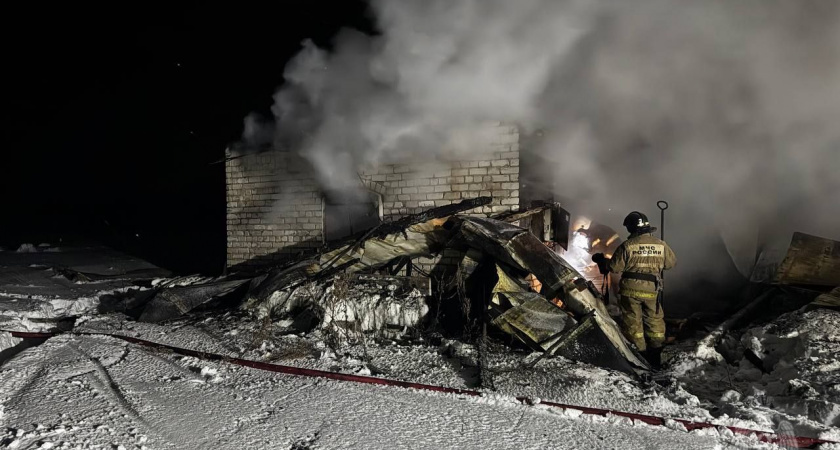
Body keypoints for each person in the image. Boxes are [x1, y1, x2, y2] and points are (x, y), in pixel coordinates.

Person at [592, 211, 676, 369]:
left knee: (633, 323)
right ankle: (656, 353)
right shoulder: (661, 245)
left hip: (630, 291)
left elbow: (615, 268)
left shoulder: (627, 246)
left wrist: (603, 261)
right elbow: (670, 264)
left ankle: (640, 356)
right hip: (652, 290)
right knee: (654, 320)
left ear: (631, 229)